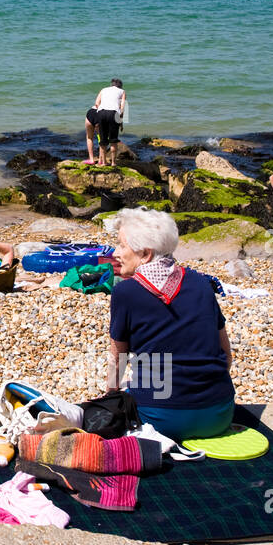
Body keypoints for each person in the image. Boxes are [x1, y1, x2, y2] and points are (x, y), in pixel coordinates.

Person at [105, 207, 234, 442]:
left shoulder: (126, 292)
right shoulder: (202, 283)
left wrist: (110, 396)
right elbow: (226, 355)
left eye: (122, 245)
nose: (115, 253)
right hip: (219, 414)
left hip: (161, 418)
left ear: (145, 254)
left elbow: (118, 357)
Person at [93, 79, 126, 166]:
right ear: (120, 86)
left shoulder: (103, 89)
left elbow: (96, 103)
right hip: (113, 113)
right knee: (113, 140)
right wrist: (121, 122)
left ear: (111, 85)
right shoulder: (122, 91)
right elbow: (122, 108)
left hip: (101, 113)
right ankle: (113, 163)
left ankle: (103, 163)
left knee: (103, 139)